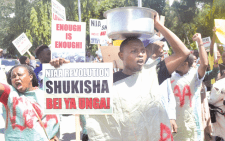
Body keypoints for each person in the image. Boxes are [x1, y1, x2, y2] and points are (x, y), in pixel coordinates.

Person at [86, 13, 190, 140]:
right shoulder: (110, 80)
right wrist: (60, 67)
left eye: (142, 51)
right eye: (133, 51)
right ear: (121, 55)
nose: (140, 54)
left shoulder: (153, 73)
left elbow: (183, 52)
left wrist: (159, 26)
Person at [0, 64, 60, 141]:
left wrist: (53, 136)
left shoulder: (45, 95)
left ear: (30, 77)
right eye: (13, 77)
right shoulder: (10, 94)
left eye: (20, 75)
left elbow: (53, 122)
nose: (16, 78)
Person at [170, 33, 208, 140]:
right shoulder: (169, 75)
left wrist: (200, 42)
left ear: (186, 63)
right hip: (173, 124)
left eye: (178, 58)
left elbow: (204, 64)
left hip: (191, 125)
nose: (174, 60)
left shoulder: (194, 75)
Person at [145, 35, 177, 133]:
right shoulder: (141, 68)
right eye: (159, 41)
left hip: (165, 120)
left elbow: (169, 94)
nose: (163, 43)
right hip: (148, 123)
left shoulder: (162, 67)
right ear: (150, 45)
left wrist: (171, 116)